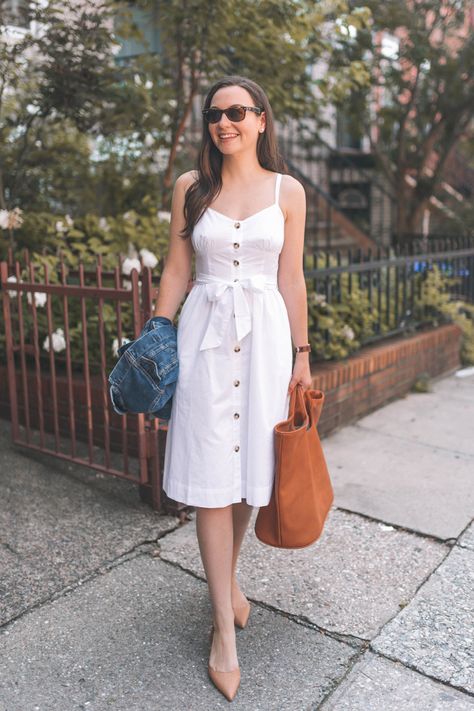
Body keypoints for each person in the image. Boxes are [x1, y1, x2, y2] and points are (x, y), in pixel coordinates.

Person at [153, 75, 312, 701]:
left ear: (262, 119)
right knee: (210, 477)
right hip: (205, 344)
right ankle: (223, 627)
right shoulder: (190, 188)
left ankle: (229, 582)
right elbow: (176, 267)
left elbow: (292, 276)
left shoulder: (288, 190)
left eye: (238, 112)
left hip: (270, 343)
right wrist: (157, 336)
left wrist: (303, 353)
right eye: (215, 115)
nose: (225, 124)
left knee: (250, 472)